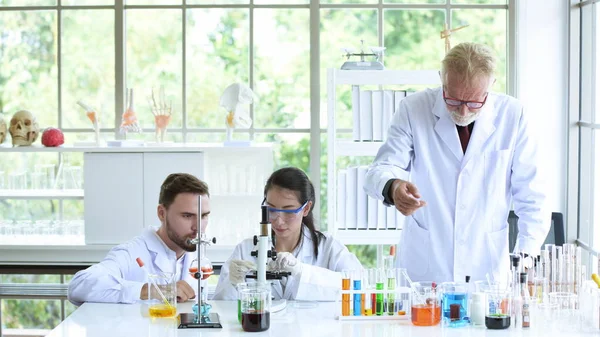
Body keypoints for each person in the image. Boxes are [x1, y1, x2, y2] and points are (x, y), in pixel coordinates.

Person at [364, 42, 548, 284]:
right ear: (442, 79)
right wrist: (392, 186)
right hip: (428, 267)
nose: (462, 111)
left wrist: (526, 255)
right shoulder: (413, 108)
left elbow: (532, 197)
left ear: (490, 86)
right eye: (452, 99)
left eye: (473, 102)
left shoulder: (512, 114)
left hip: (487, 266)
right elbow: (379, 170)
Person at [212, 167, 362, 300]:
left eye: (288, 211)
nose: (278, 221)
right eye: (271, 209)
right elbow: (220, 306)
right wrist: (232, 283)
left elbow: (359, 285)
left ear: (306, 208)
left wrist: (302, 272)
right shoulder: (245, 250)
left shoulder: (327, 247)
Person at [68, 173, 211, 305]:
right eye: (187, 216)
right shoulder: (132, 253)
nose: (198, 227)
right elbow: (79, 286)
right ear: (162, 213)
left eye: (203, 216)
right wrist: (151, 290)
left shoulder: (197, 259)